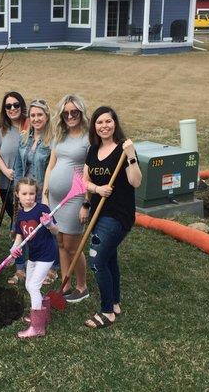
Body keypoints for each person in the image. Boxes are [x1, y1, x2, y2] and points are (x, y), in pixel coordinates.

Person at [82, 106, 141, 328]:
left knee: (97, 260)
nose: (104, 126)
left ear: (115, 123)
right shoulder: (93, 149)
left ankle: (107, 311)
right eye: (99, 122)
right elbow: (84, 180)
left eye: (108, 121)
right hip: (98, 211)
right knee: (109, 258)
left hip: (118, 215)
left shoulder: (123, 150)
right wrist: (96, 192)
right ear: (94, 126)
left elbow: (136, 182)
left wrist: (132, 156)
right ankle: (115, 302)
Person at [42, 94, 91, 304]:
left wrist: (86, 203)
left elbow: (90, 173)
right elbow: (51, 166)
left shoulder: (89, 138)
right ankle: (66, 283)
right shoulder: (59, 136)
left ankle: (82, 286)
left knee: (73, 245)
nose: (70, 116)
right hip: (55, 199)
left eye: (74, 112)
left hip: (75, 198)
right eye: (66, 113)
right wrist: (45, 194)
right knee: (60, 242)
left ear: (81, 113)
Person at [8, 178, 58, 338]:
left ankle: (37, 327)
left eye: (32, 193)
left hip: (47, 255)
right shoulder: (21, 214)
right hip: (34, 255)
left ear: (36, 194)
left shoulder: (42, 209)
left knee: (34, 286)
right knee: (29, 285)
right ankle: (43, 314)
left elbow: (56, 231)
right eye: (24, 193)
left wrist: (49, 224)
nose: (29, 197)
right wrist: (14, 248)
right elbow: (20, 236)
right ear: (17, 195)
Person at [13, 98, 55, 283]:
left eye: (40, 115)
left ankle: (49, 268)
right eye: (33, 115)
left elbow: (52, 169)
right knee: (20, 227)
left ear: (46, 116)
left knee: (43, 231)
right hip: (25, 191)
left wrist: (45, 195)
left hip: (42, 191)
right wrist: (19, 192)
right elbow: (19, 166)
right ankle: (20, 268)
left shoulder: (52, 141)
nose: (36, 119)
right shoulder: (24, 137)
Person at [0, 91, 27, 285]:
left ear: (22, 106)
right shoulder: (0, 130)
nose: (12, 109)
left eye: (16, 105)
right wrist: (5, 170)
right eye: (8, 106)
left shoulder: (28, 126)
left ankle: (22, 263)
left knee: (23, 223)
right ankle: (22, 255)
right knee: (17, 222)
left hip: (27, 187)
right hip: (7, 183)